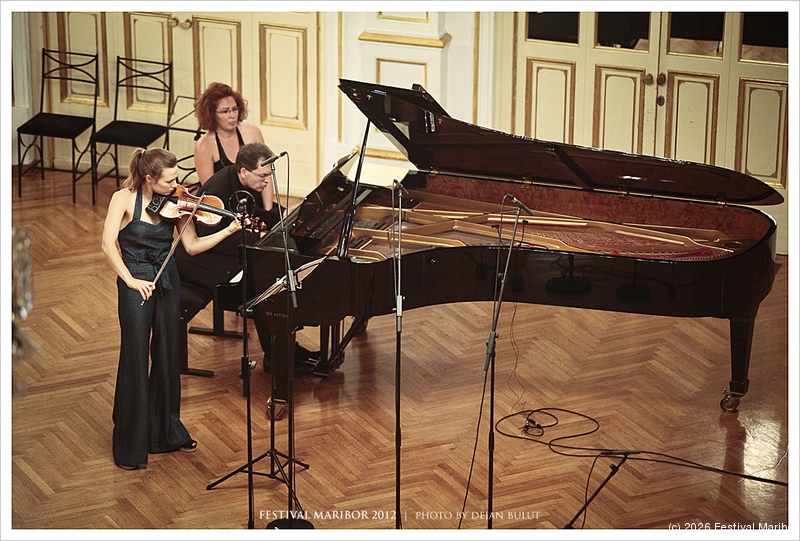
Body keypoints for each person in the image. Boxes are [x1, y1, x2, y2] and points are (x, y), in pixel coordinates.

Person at [101, 148, 242, 471]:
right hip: (135, 282)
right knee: (135, 356)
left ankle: (165, 432)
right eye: (169, 181)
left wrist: (227, 230)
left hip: (167, 281)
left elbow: (191, 246)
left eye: (177, 178)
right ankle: (131, 442)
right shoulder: (123, 199)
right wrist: (131, 280)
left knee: (167, 354)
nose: (177, 186)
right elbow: (108, 245)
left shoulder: (176, 204)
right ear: (149, 178)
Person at [174, 143, 318, 385]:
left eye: (269, 175)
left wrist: (284, 214)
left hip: (222, 254)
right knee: (261, 285)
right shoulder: (219, 190)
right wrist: (256, 239)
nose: (266, 181)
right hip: (201, 262)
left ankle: (285, 350)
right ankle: (277, 356)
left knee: (269, 277)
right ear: (243, 172)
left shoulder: (243, 183)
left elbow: (256, 213)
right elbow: (213, 240)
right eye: (262, 176)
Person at [193, 82, 273, 212]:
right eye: (225, 111)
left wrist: (268, 212)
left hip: (256, 201)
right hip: (226, 207)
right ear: (212, 114)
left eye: (235, 109)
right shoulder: (204, 146)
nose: (232, 115)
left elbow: (266, 174)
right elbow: (211, 192)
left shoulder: (252, 131)